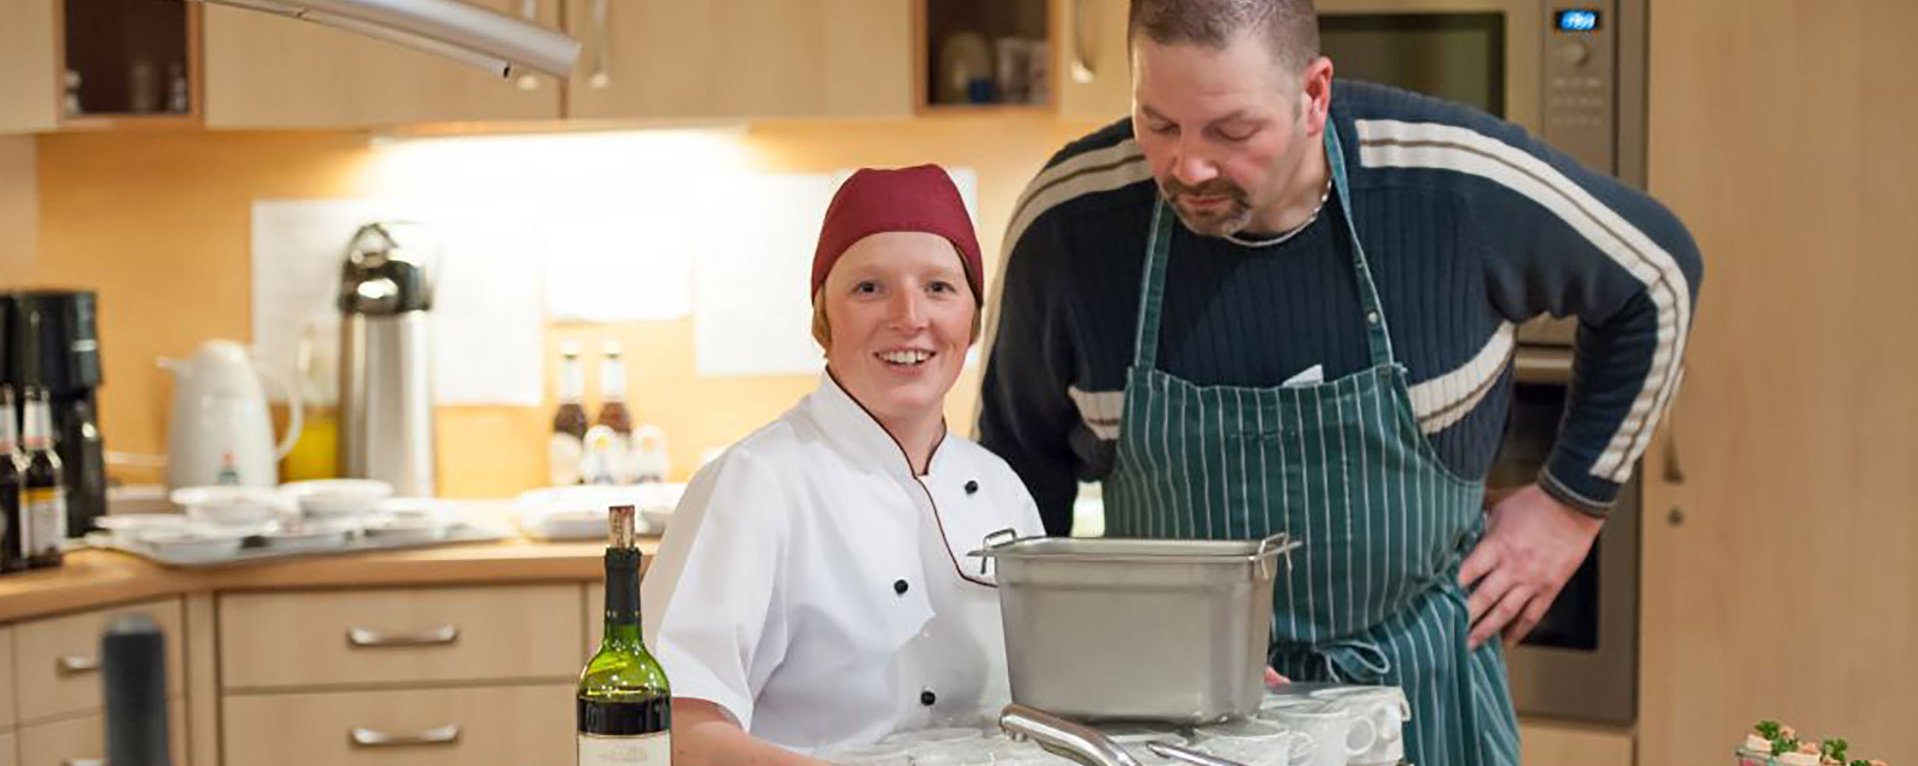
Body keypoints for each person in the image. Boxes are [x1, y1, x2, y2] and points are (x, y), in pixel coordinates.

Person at [976, 2, 1703, 764]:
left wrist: (1571, 507)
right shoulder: (1071, 224)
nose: (1188, 167)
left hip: (1427, 706)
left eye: (1230, 130)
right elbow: (1012, 485)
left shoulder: (1451, 187)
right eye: (1157, 125)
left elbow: (1657, 276)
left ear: (1314, 95)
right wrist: (1081, 654)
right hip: (1176, 728)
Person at [643, 165, 1045, 765]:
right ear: (823, 321)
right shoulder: (756, 485)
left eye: (939, 287)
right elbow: (673, 732)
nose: (910, 316)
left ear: (973, 320)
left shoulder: (999, 489)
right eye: (869, 289)